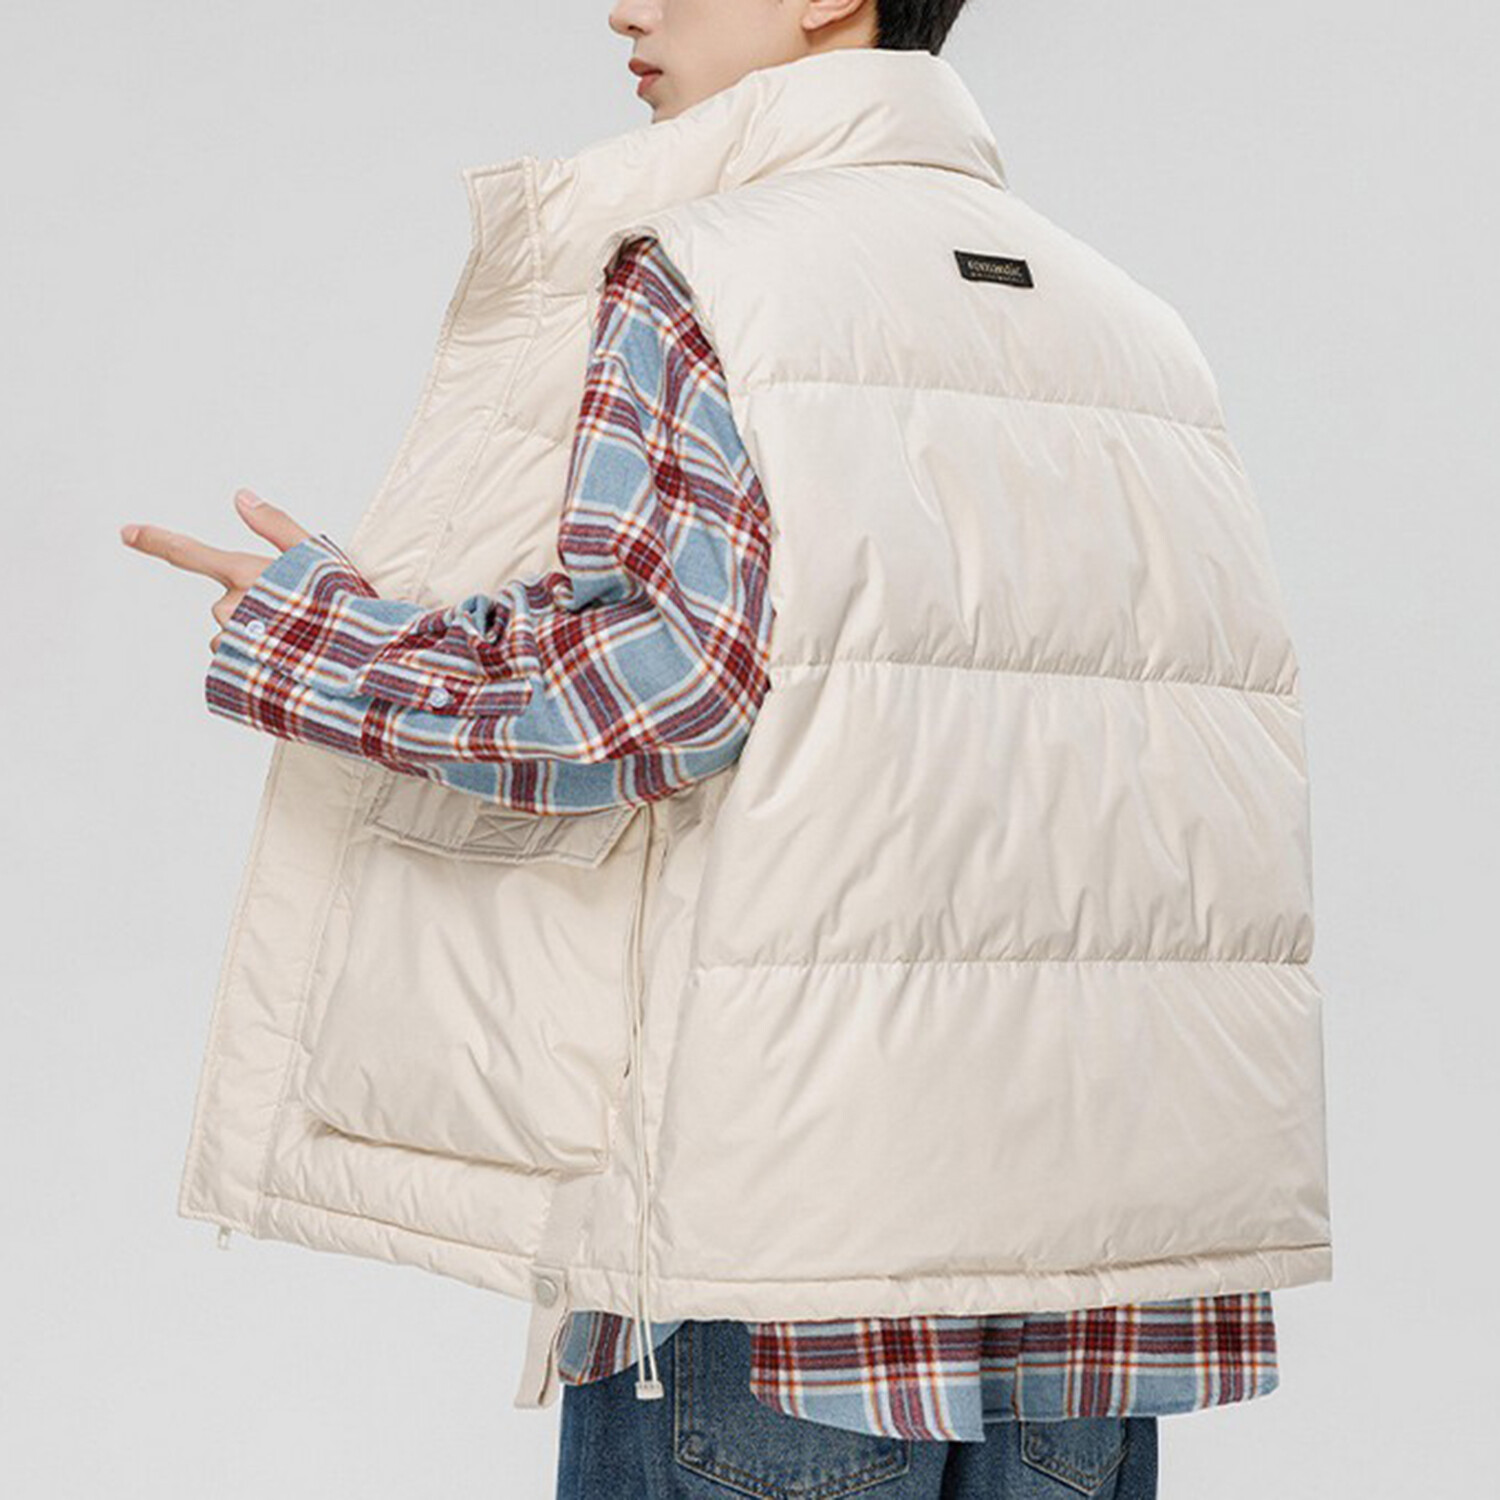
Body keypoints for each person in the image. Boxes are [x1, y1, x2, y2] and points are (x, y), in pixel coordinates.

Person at [123, 2, 1330, 1496]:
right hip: (1098, 1267)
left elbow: (666, 680)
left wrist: (327, 642)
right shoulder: (1134, 328)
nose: (625, 7)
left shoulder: (714, 270)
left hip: (786, 1237)